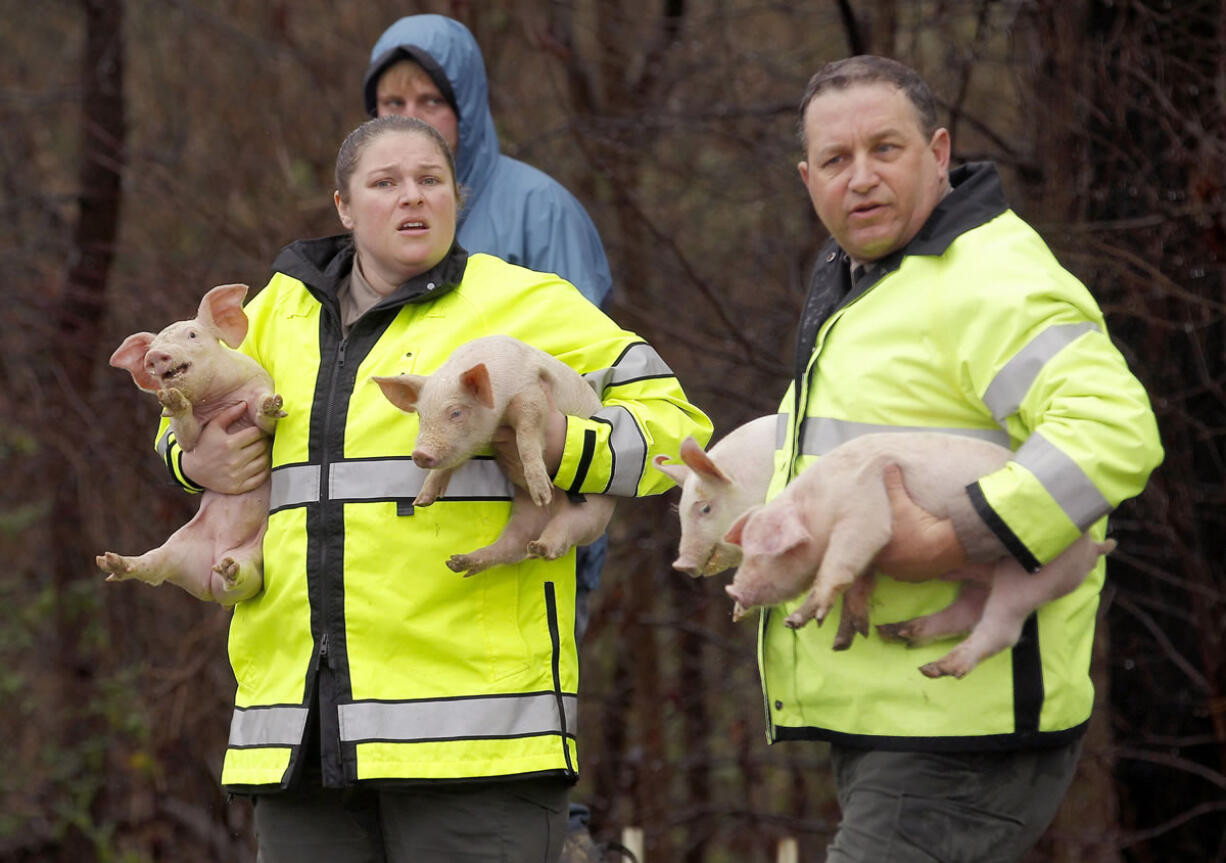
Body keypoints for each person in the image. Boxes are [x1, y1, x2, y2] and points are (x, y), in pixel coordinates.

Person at [158, 115, 711, 862]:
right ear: (344, 207)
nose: (412, 198)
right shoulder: (269, 318)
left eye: (431, 180)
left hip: (477, 749)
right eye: (385, 183)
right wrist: (194, 463)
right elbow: (175, 411)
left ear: (460, 197)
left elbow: (675, 431)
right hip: (301, 744)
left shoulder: (525, 303)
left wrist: (552, 440)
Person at [763, 56, 1163, 862]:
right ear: (808, 179)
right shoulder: (866, 279)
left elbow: (1115, 428)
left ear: (939, 153)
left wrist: (959, 538)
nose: (862, 178)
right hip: (899, 715)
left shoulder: (989, 275)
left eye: (887, 149)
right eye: (837, 161)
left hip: (963, 734)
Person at [362, 17, 616, 857]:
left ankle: (565, 824)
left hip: (535, 494)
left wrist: (549, 463)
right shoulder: (376, 224)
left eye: (430, 99)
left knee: (533, 671)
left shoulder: (538, 208)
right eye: (391, 101)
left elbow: (595, 376)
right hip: (420, 548)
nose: (413, 114)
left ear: (467, 105)